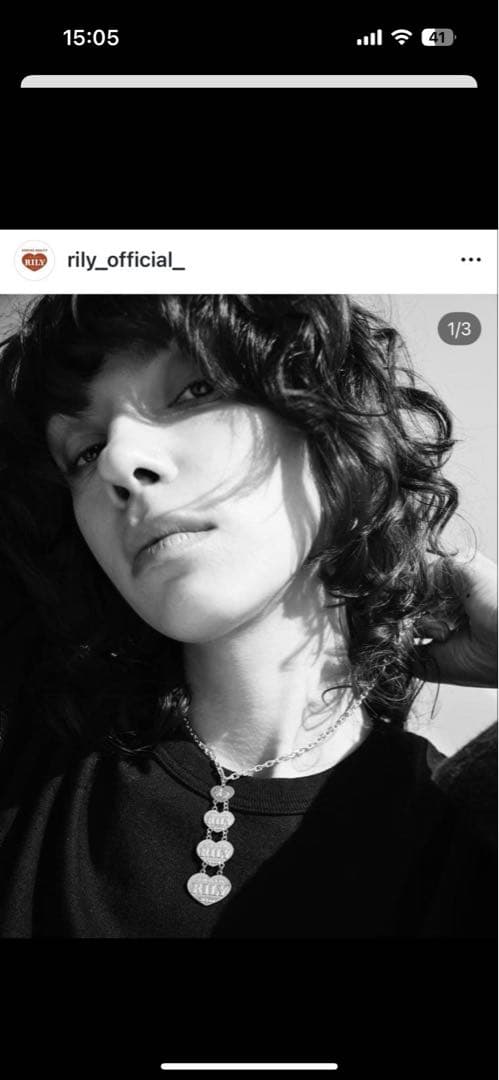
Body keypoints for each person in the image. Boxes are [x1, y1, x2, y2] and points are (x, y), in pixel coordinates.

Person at [0, 294, 496, 938]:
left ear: (326, 428)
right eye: (85, 453)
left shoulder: (461, 841)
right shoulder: (27, 736)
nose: (120, 461)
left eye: (195, 390)